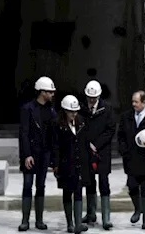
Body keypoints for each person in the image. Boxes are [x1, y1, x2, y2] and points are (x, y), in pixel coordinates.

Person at [19, 76, 57, 231]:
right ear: (42, 92)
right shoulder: (28, 108)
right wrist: (27, 154)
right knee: (27, 185)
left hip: (44, 153)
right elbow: (24, 133)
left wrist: (54, 158)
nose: (52, 94)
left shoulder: (51, 110)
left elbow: (53, 136)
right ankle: (25, 220)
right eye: (50, 91)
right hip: (31, 153)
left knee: (40, 186)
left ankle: (39, 220)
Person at [54, 95, 92, 234]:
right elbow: (56, 146)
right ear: (64, 110)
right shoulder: (58, 125)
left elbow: (85, 141)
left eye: (75, 111)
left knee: (78, 191)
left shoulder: (81, 122)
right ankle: (70, 223)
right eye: (71, 111)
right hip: (66, 163)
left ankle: (77, 224)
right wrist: (56, 164)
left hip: (79, 162)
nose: (73, 114)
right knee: (67, 191)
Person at [82, 80, 116, 230]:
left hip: (102, 151)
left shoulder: (107, 109)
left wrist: (96, 144)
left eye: (94, 97)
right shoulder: (82, 109)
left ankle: (106, 217)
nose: (91, 100)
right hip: (86, 151)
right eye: (89, 97)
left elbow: (110, 130)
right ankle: (90, 213)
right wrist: (86, 144)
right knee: (89, 182)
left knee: (103, 182)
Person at [117, 90, 145, 229]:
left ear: (144, 103)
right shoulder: (126, 117)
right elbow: (120, 135)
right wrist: (123, 150)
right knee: (132, 186)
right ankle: (138, 208)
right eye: (132, 101)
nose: (133, 104)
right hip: (131, 158)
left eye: (136, 102)